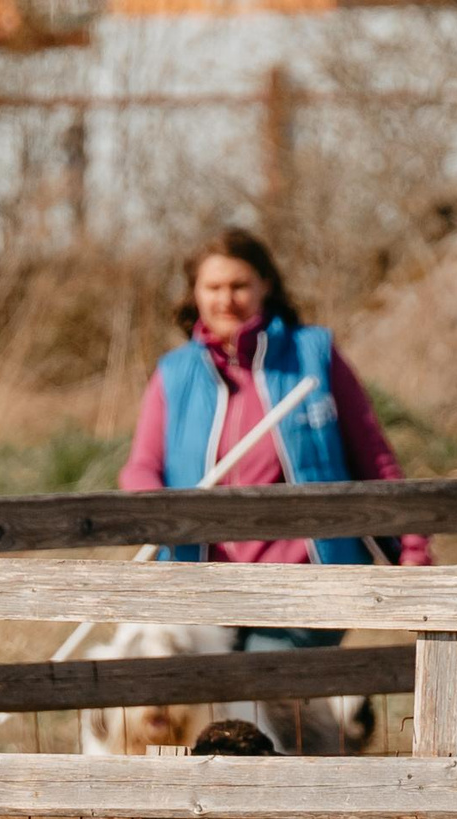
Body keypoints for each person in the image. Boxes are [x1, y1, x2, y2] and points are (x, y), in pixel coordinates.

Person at [118, 227, 431, 655]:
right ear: (194, 293)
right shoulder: (173, 373)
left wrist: (412, 548)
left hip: (306, 579)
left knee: (263, 684)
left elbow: (374, 458)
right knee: (202, 692)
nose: (226, 299)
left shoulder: (314, 355)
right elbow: (141, 467)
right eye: (213, 287)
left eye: (239, 285)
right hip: (201, 582)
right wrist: (161, 514)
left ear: (265, 284)